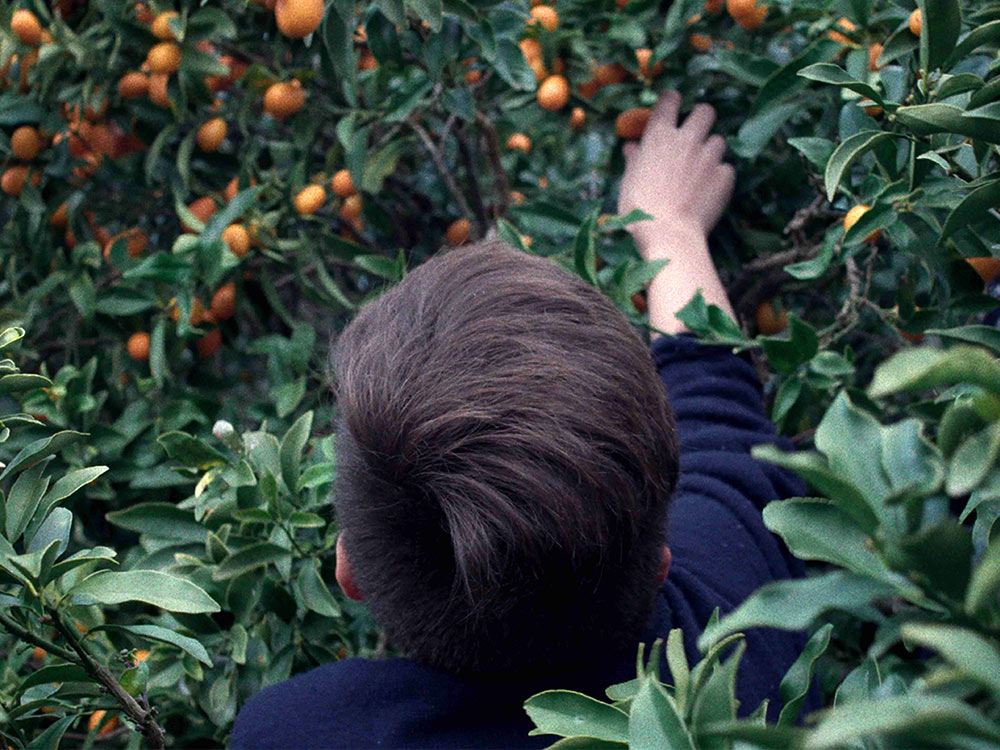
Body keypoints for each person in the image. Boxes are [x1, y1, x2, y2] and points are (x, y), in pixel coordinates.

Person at [229, 91, 809, 749]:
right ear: (660, 565)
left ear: (348, 571)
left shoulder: (293, 733)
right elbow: (717, 407)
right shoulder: (741, 637)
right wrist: (668, 225)